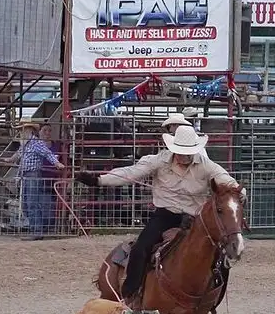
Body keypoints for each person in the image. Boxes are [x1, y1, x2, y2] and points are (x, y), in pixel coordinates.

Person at [74, 125, 245, 303]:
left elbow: (228, 181)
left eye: (188, 152)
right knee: (141, 248)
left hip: (193, 220)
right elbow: (130, 173)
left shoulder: (206, 166)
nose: (183, 156)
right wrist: (99, 180)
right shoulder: (158, 161)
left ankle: (211, 302)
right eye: (180, 151)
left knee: (220, 258)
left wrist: (239, 193)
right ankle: (130, 295)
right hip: (164, 216)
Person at [2, 118, 66, 241]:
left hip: (32, 175)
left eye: (22, 129)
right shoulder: (25, 143)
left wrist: (57, 163)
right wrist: (9, 160)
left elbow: (47, 153)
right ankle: (36, 229)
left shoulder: (35, 143)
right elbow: (18, 155)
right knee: (26, 204)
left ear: (29, 130)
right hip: (26, 175)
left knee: (31, 204)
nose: (21, 132)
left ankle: (36, 230)